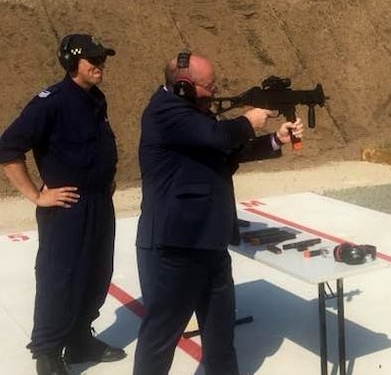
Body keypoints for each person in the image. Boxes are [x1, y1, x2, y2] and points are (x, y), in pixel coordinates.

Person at [133, 51, 303, 375]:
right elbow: (220, 136)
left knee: (220, 334)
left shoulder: (197, 113)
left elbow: (228, 149)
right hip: (176, 247)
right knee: (161, 338)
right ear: (184, 86)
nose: (215, 91)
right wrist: (247, 120)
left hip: (210, 241)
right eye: (210, 86)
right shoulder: (165, 111)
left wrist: (276, 140)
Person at [0, 34, 127, 375]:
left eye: (102, 59)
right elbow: (8, 148)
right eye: (94, 60)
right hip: (66, 208)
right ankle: (48, 352)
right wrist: (37, 195)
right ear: (73, 63)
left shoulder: (96, 99)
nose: (100, 65)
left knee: (97, 273)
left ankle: (79, 340)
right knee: (60, 278)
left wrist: (105, 180)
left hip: (99, 202)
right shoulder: (51, 102)